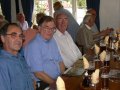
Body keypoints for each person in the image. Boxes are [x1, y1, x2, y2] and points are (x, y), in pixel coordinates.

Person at [23, 16, 65, 90]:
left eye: (53, 28)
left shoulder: (52, 40)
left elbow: (60, 61)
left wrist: (63, 77)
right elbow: (39, 73)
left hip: (57, 79)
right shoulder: (34, 45)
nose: (50, 31)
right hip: (43, 83)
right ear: (39, 28)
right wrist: (56, 84)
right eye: (47, 28)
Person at [0, 23, 34, 90]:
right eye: (13, 35)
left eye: (20, 36)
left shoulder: (20, 58)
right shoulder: (2, 64)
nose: (18, 39)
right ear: (3, 38)